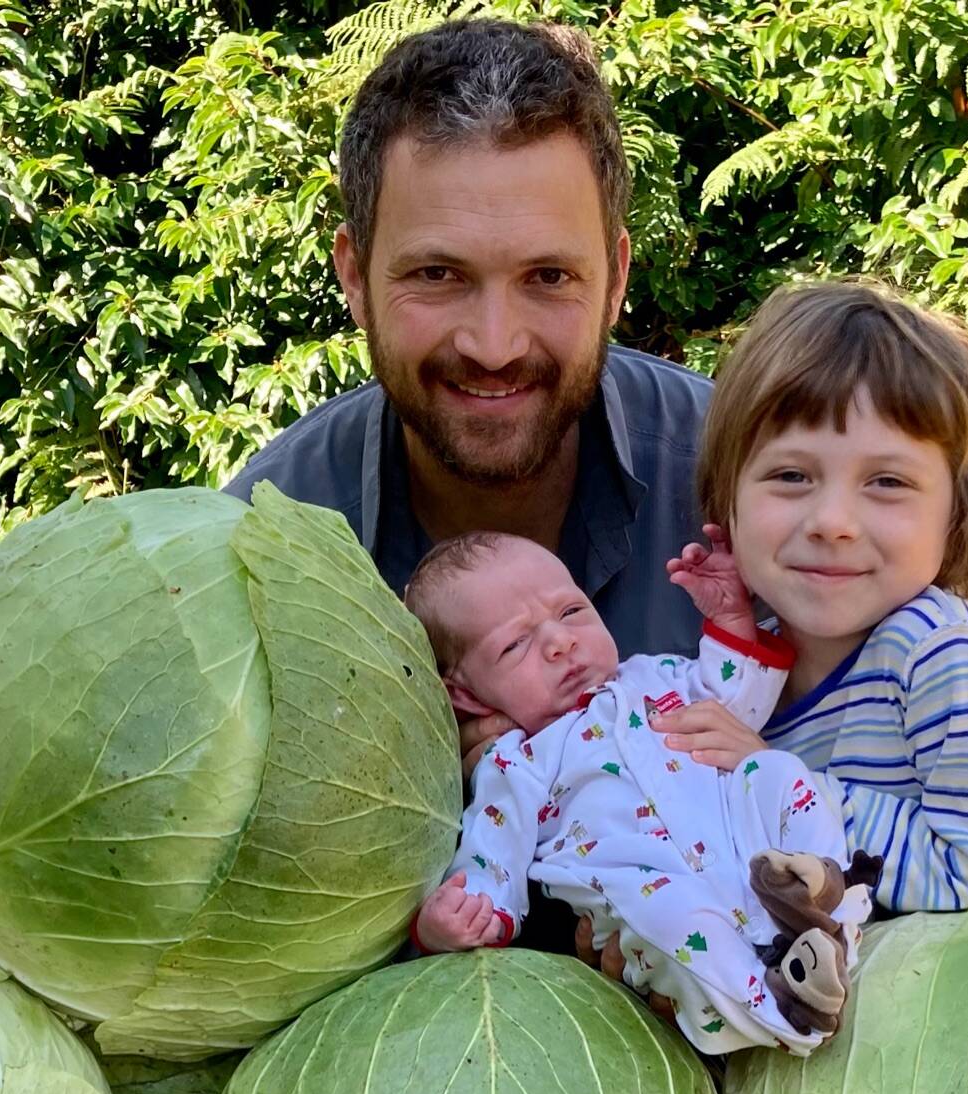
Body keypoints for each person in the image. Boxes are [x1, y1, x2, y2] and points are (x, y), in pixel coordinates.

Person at [655, 280, 968, 958]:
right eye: (791, 476)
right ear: (727, 494)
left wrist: (780, 782)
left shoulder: (948, 660)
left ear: (960, 510)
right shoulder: (759, 667)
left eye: (886, 482)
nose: (832, 522)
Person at [223, 18, 712, 691]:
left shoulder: (744, 481)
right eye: (437, 274)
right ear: (355, 277)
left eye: (548, 276)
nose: (494, 345)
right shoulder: (253, 559)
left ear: (615, 280)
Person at [405, 529, 876, 1053]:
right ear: (465, 696)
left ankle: (831, 909)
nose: (560, 642)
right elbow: (492, 856)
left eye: (571, 611)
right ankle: (789, 1014)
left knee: (776, 772)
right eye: (515, 644)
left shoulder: (654, 675)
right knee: (664, 920)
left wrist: (731, 618)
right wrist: (451, 921)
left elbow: (738, 702)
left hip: (752, 858)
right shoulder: (515, 762)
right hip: (657, 892)